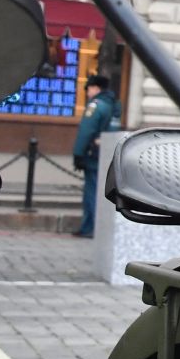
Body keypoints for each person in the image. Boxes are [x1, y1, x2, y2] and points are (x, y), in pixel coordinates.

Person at [72, 72, 120, 238]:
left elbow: (86, 131)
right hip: (107, 155)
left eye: (89, 88)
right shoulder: (114, 104)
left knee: (91, 193)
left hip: (93, 156)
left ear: (95, 88)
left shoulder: (96, 106)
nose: (87, 92)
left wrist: (78, 154)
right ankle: (102, 228)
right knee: (103, 194)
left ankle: (89, 227)